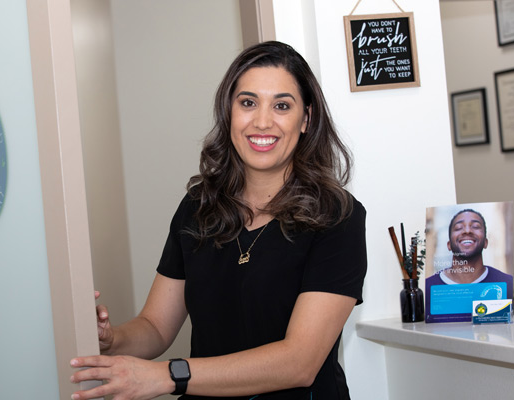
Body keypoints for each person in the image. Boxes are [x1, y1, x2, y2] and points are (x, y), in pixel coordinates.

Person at [69, 41, 367, 400]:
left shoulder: (338, 217)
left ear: (306, 119)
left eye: (282, 106)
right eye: (248, 102)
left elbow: (299, 362)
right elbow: (156, 327)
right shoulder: (198, 207)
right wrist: (113, 339)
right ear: (229, 112)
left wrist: (168, 376)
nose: (261, 121)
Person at [426, 209, 512, 293]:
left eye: (475, 226)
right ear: (449, 245)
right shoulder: (428, 287)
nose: (467, 231)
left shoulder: (506, 283)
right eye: (459, 227)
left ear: (485, 243)